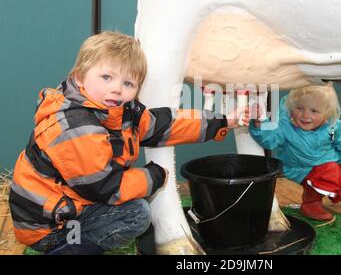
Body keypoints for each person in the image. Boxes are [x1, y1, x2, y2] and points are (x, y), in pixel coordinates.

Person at [9, 31, 248, 255]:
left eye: (128, 84)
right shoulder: (76, 126)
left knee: (136, 198)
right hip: (47, 225)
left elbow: (167, 124)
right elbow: (107, 188)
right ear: (80, 76)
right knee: (136, 214)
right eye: (106, 77)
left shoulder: (119, 112)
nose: (116, 89)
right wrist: (155, 177)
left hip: (70, 205)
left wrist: (225, 120)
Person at [249, 83, 341, 221]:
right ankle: (311, 204)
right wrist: (259, 125)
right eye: (300, 108)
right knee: (330, 172)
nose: (305, 115)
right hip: (300, 168)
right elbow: (269, 140)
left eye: (314, 111)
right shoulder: (286, 126)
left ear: (327, 113)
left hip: (328, 165)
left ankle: (321, 193)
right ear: (292, 108)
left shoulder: (333, 126)